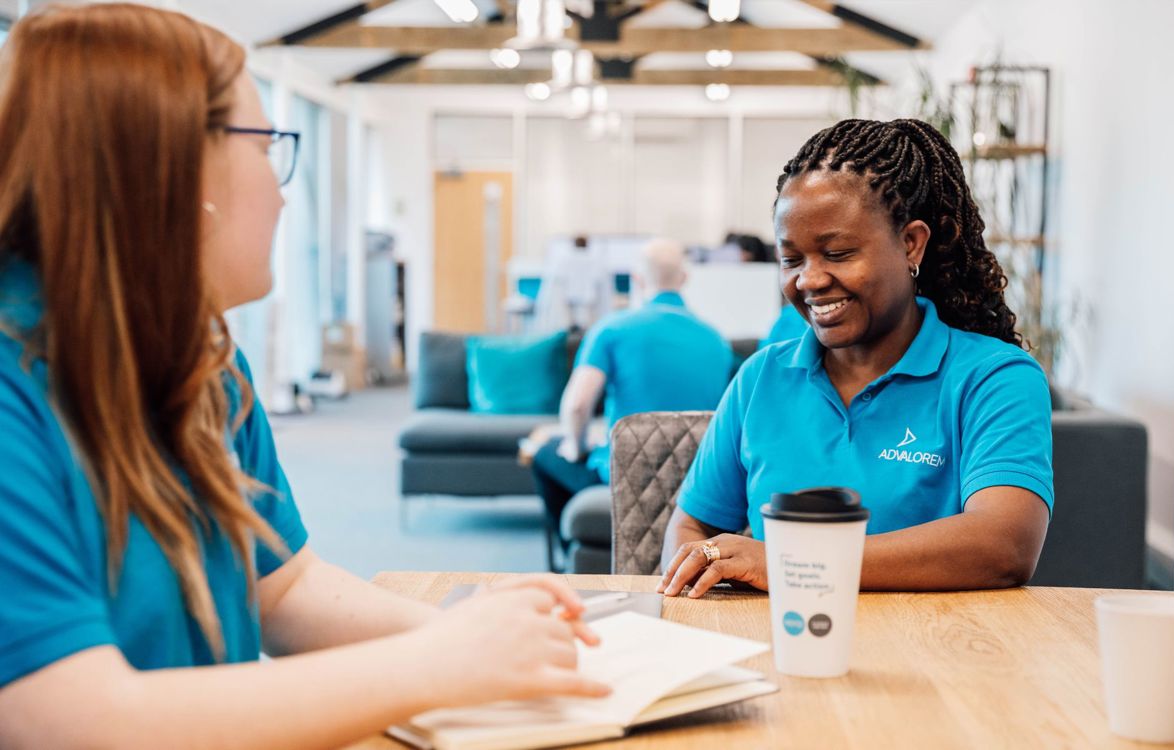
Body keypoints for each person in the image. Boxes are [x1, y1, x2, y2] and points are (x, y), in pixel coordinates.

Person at [0, 6, 609, 748]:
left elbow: (282, 589)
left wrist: (473, 635)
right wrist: (438, 661)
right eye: (268, 148)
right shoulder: (14, 392)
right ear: (175, 173)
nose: (285, 194)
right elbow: (67, 722)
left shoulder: (206, 365)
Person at [658, 119, 1053, 598]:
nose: (809, 280)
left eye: (839, 252)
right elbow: (691, 529)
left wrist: (796, 564)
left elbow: (1004, 545)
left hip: (939, 656)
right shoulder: (761, 377)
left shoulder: (994, 378)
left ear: (911, 243)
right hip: (786, 649)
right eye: (791, 259)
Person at [533, 239, 733, 566]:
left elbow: (576, 406)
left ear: (637, 281)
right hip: (698, 478)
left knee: (544, 454)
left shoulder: (612, 329)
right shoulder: (716, 339)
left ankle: (570, 559)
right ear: (683, 279)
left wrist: (575, 443)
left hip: (627, 473)